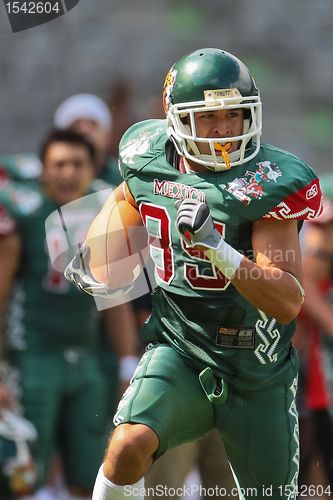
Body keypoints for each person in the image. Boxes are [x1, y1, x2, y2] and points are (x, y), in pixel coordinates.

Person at [65, 48, 323, 500]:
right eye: (209, 118)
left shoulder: (269, 179)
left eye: (233, 115)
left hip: (256, 366)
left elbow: (286, 302)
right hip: (181, 348)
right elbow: (119, 221)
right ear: (177, 121)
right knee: (127, 445)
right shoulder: (147, 156)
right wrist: (101, 248)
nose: (223, 129)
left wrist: (218, 248)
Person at [0, 129, 138, 499]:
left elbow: (116, 296)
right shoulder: (25, 211)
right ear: (42, 170)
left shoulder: (103, 211)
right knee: (24, 473)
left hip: (85, 358)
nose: (68, 173)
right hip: (32, 356)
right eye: (59, 164)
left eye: (78, 164)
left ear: (92, 169)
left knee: (89, 470)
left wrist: (128, 362)